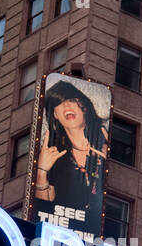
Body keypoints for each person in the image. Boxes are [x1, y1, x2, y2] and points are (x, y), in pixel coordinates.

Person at [33, 80, 109, 217]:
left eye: (71, 100)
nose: (66, 105)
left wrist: (110, 164)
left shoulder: (107, 143)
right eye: (58, 103)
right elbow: (43, 213)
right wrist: (41, 172)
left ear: (84, 107)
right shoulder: (52, 155)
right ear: (55, 115)